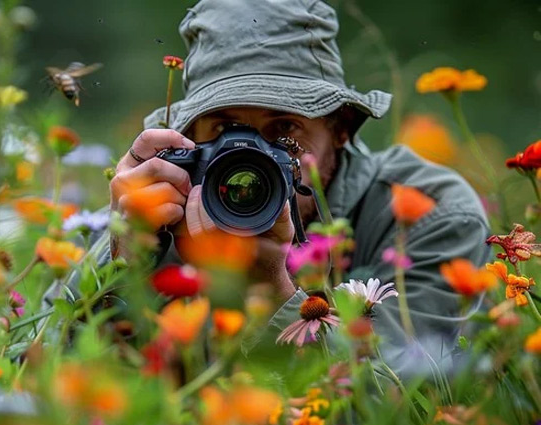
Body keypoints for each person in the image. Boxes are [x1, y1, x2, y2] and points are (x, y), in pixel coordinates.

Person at [94, 0, 492, 375]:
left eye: (284, 130)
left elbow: (406, 400)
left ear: (339, 129)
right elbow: (56, 385)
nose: (252, 159)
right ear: (187, 143)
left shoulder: (426, 211)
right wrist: (121, 266)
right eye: (222, 130)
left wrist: (272, 291)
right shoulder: (164, 207)